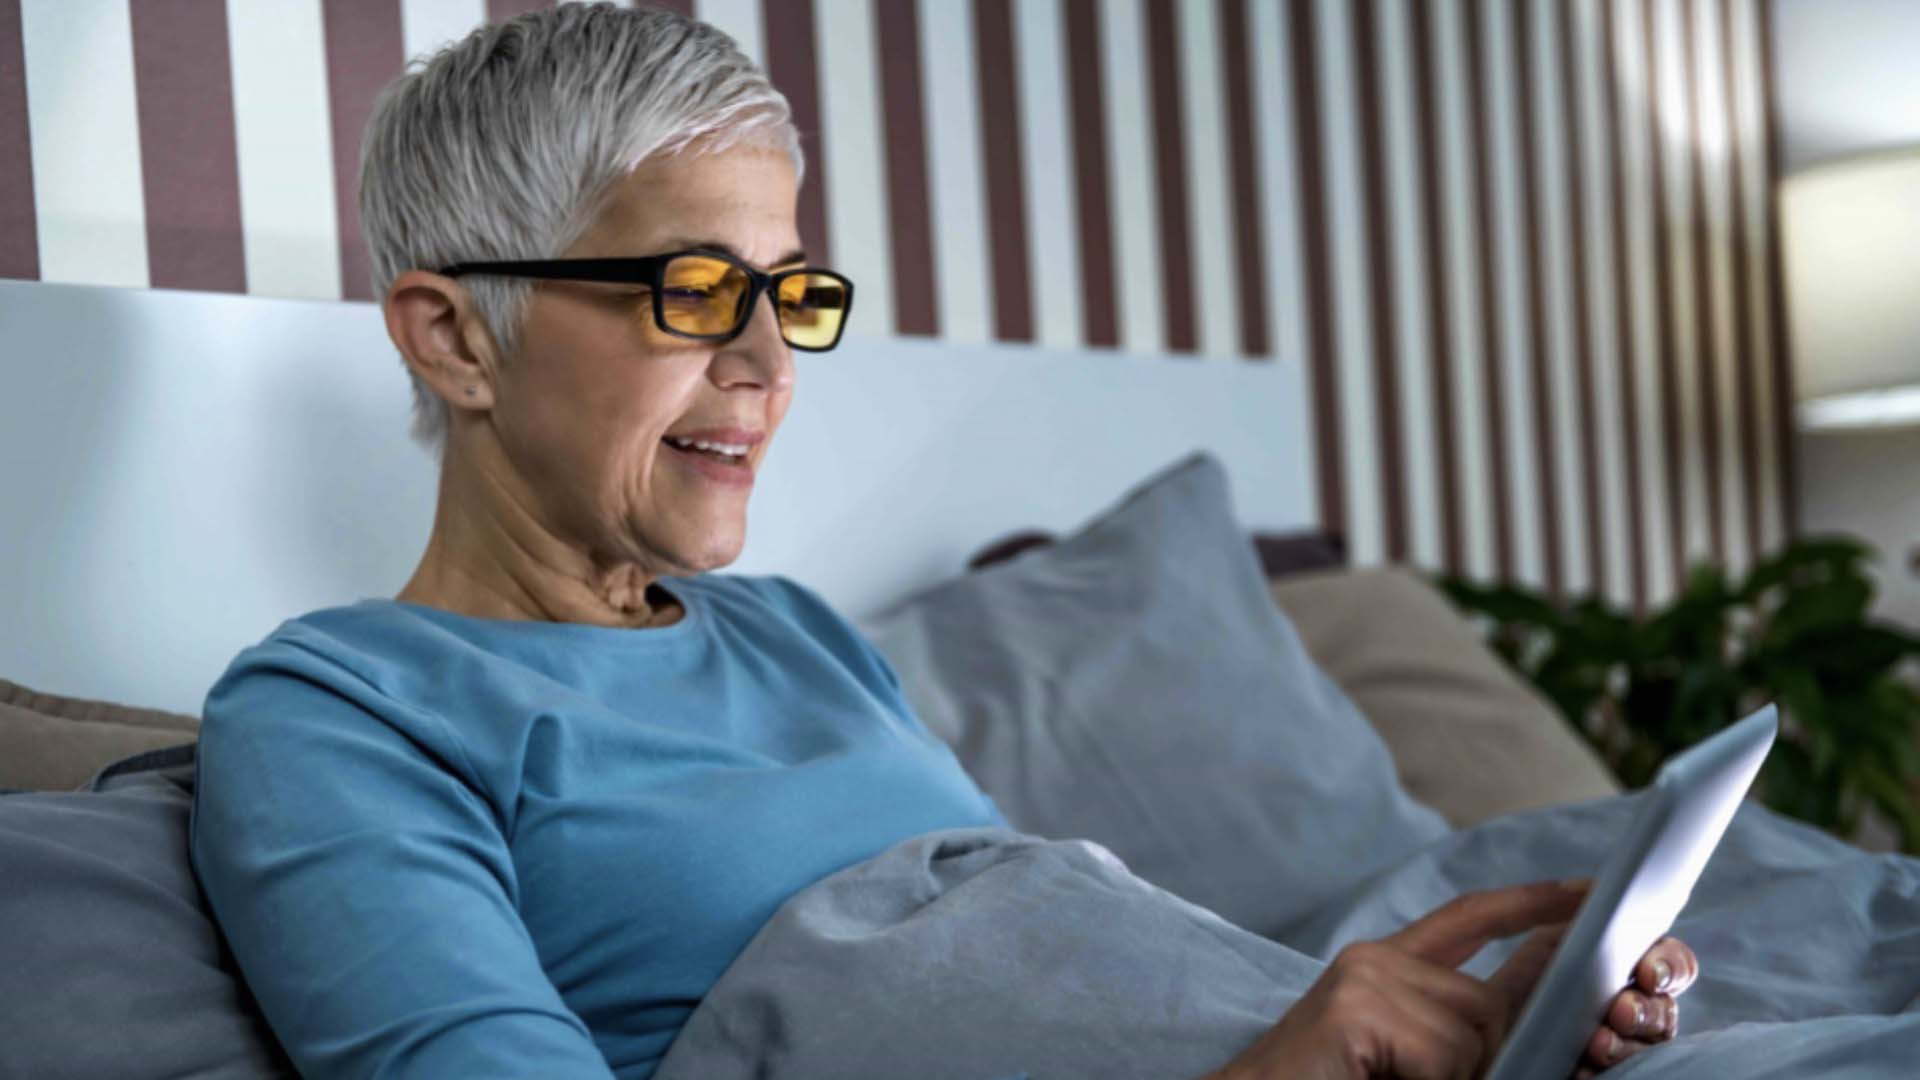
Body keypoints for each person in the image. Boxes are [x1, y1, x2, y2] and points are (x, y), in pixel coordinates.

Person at [187, 6, 1694, 1078]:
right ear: (455, 339)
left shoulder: (796, 633)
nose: (773, 366)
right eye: (700, 290)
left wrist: (1434, 1013)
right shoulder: (347, 712)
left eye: (794, 294)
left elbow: (1054, 966)